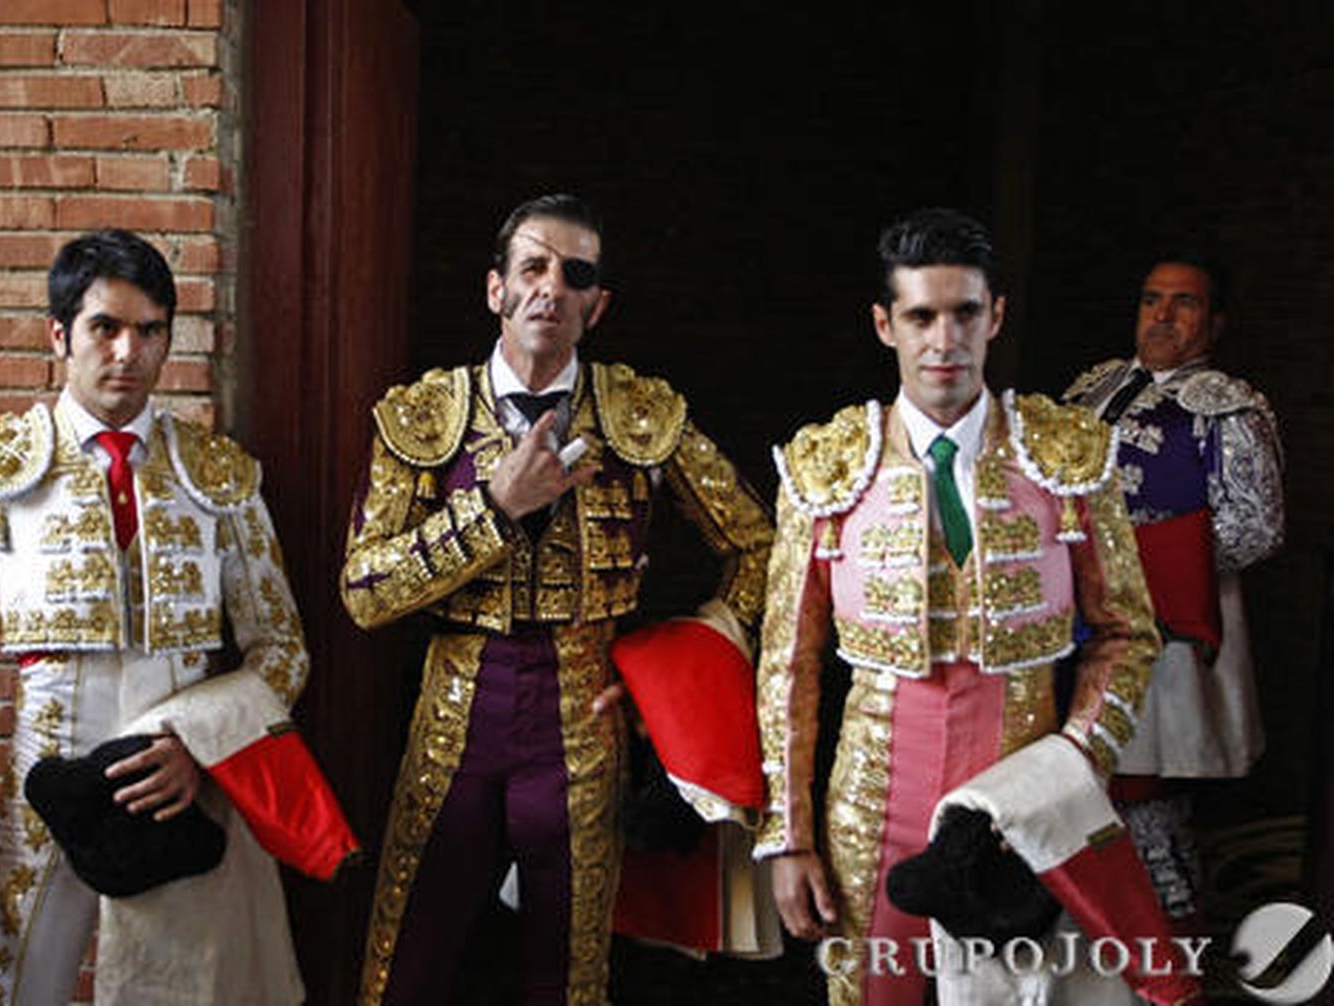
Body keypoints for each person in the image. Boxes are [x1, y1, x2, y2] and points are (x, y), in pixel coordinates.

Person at [340, 193, 773, 1005]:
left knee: (569, 982)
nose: (552, 287)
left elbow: (761, 549)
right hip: (454, 718)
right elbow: (364, 592)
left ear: (596, 305)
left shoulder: (642, 415)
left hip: (585, 720)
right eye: (532, 266)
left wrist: (673, 683)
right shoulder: (422, 415)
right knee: (404, 972)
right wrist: (493, 508)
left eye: (575, 275)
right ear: (495, 290)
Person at [0, 229, 323, 1004]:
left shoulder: (219, 473)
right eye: (106, 327)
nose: (129, 352)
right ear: (60, 335)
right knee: (15, 994)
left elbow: (283, 649)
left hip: (178, 782)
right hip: (45, 778)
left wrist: (199, 747)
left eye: (150, 330)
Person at [755, 207, 1160, 1005]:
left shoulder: (1065, 456)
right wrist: (788, 838)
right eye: (921, 316)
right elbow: (787, 661)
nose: (944, 341)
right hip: (873, 812)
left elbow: (1127, 633)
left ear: (995, 316)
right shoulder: (826, 465)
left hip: (1022, 805)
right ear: (885, 324)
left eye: (964, 313)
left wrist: (1070, 769)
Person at [1064, 254, 1285, 924]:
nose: (1162, 315)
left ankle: (1164, 940)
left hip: (1167, 625)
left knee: (1144, 781)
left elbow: (1257, 525)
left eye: (1183, 303)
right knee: (1077, 777)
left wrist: (1136, 565)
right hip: (1072, 617)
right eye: (1151, 298)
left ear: (1213, 321)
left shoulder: (1230, 407)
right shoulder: (1091, 390)